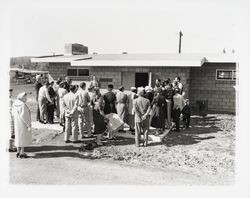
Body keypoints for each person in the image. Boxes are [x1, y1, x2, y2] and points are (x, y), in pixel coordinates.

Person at [12, 92, 32, 158]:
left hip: (16, 122)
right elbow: (24, 116)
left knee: (18, 137)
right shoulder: (23, 105)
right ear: (23, 98)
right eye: (25, 97)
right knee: (22, 137)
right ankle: (22, 152)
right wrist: (28, 124)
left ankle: (18, 151)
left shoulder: (14, 104)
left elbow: (12, 113)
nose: (26, 99)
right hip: (22, 124)